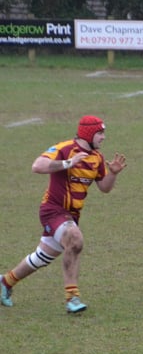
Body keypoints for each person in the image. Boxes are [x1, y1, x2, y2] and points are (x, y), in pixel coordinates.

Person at [0, 116, 127, 313]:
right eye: (100, 133)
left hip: (71, 215)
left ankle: (5, 282)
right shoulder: (65, 148)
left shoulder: (97, 158)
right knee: (75, 241)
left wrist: (113, 174)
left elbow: (104, 188)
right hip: (52, 210)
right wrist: (68, 163)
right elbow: (37, 166)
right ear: (88, 133)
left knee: (42, 257)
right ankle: (72, 298)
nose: (103, 138)